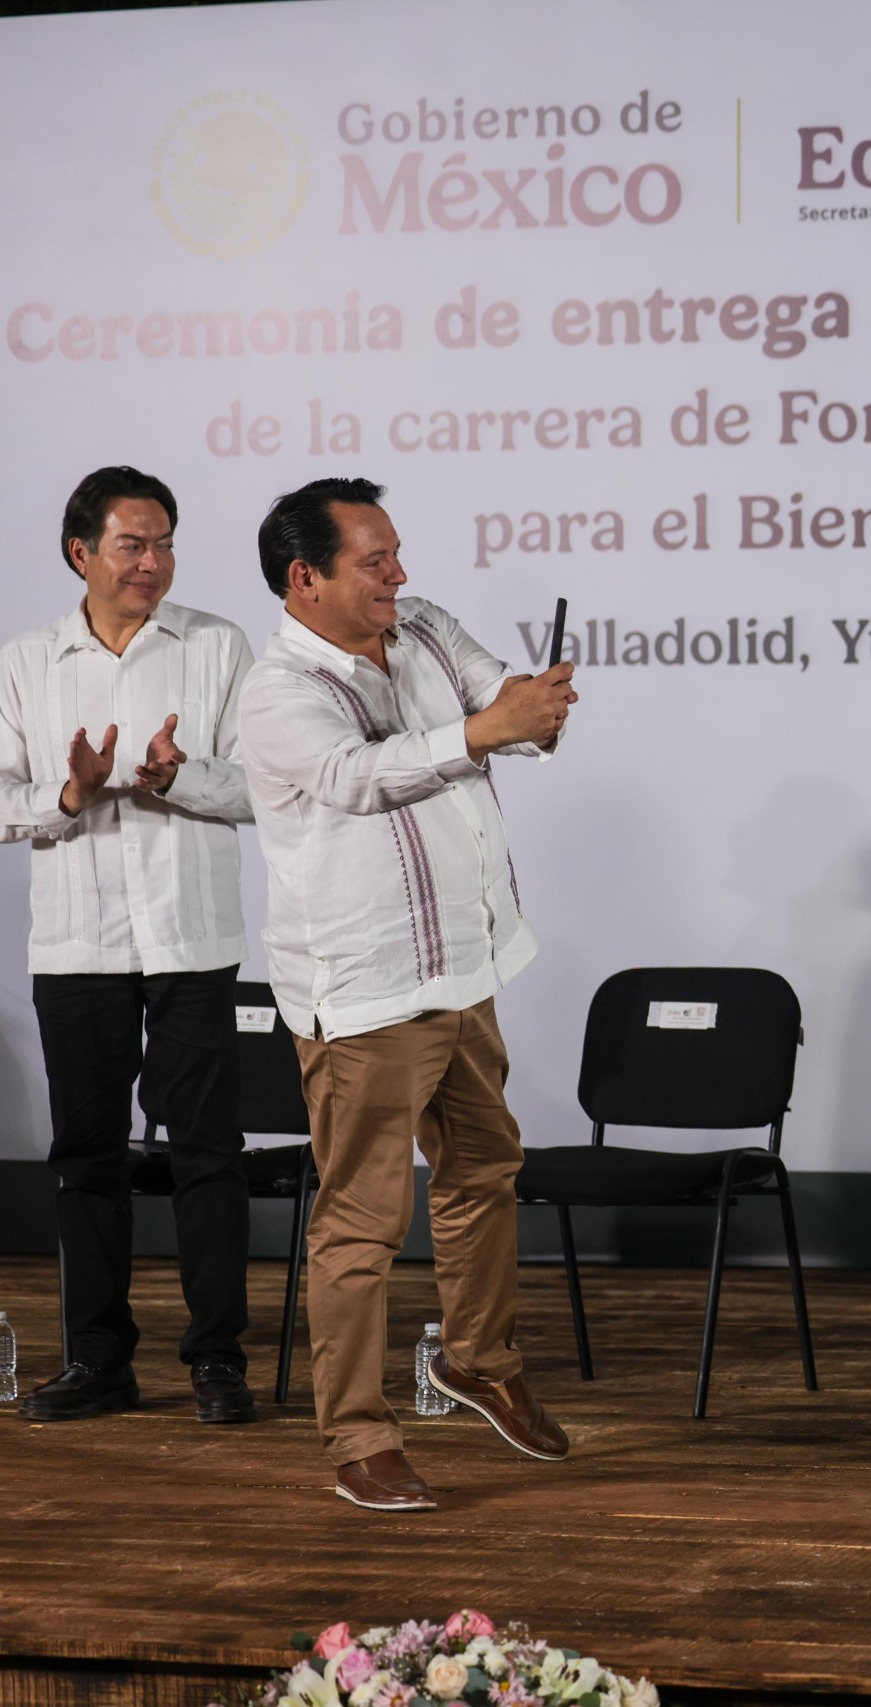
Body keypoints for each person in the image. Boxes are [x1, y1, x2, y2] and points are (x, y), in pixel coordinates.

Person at [239, 477, 577, 1512]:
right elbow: (358, 774)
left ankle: (476, 1358)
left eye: (395, 554)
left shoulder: (422, 626)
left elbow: (500, 713)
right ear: (306, 579)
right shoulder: (277, 690)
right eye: (373, 562)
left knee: (485, 1168)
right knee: (363, 1223)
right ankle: (356, 1434)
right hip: (368, 988)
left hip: (463, 965)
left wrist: (534, 714)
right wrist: (488, 731)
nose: (400, 576)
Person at [0, 467, 257, 1425]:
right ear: (82, 553)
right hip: (77, 945)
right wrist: (66, 797)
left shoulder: (218, 644)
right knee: (86, 1156)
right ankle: (98, 1360)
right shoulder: (26, 659)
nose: (153, 563)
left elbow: (264, 789)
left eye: (164, 544)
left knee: (207, 1152)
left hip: (192, 937)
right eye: (131, 546)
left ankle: (216, 1361)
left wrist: (179, 777)